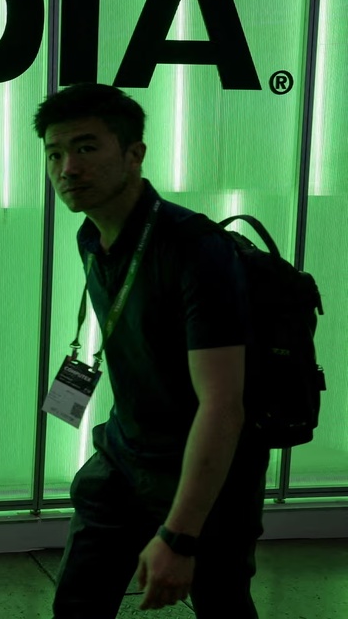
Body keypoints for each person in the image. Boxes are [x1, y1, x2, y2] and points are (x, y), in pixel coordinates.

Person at [34, 83, 272, 618]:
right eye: (54, 152)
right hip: (124, 458)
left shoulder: (195, 250)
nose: (67, 167)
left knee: (223, 605)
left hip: (206, 470)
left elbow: (222, 405)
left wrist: (181, 537)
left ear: (134, 153)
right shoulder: (91, 238)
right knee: (77, 604)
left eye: (87, 148)